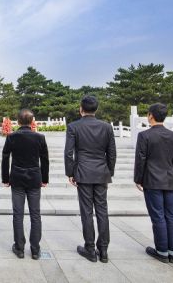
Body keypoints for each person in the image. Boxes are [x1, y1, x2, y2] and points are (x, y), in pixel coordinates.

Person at [64, 95, 116, 263]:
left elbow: (68, 152)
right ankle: (104, 250)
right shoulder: (107, 127)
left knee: (86, 211)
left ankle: (90, 248)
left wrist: (70, 172)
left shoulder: (74, 126)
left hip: (84, 172)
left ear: (81, 109)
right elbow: (112, 153)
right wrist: (109, 172)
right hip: (101, 172)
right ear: (96, 109)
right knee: (102, 210)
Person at [134, 103, 173, 264]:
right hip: (169, 179)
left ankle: (161, 250)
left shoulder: (145, 135)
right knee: (171, 215)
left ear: (150, 116)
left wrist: (138, 179)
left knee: (158, 216)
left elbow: (141, 160)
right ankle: (171, 251)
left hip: (152, 180)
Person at [2, 109, 49, 260]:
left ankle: (19, 248)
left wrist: (5, 178)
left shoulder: (11, 137)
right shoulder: (40, 137)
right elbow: (45, 160)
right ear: (32, 121)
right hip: (34, 178)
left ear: (18, 121)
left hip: (17, 178)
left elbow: (5, 158)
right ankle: (35, 250)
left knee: (18, 214)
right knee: (35, 214)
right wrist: (45, 178)